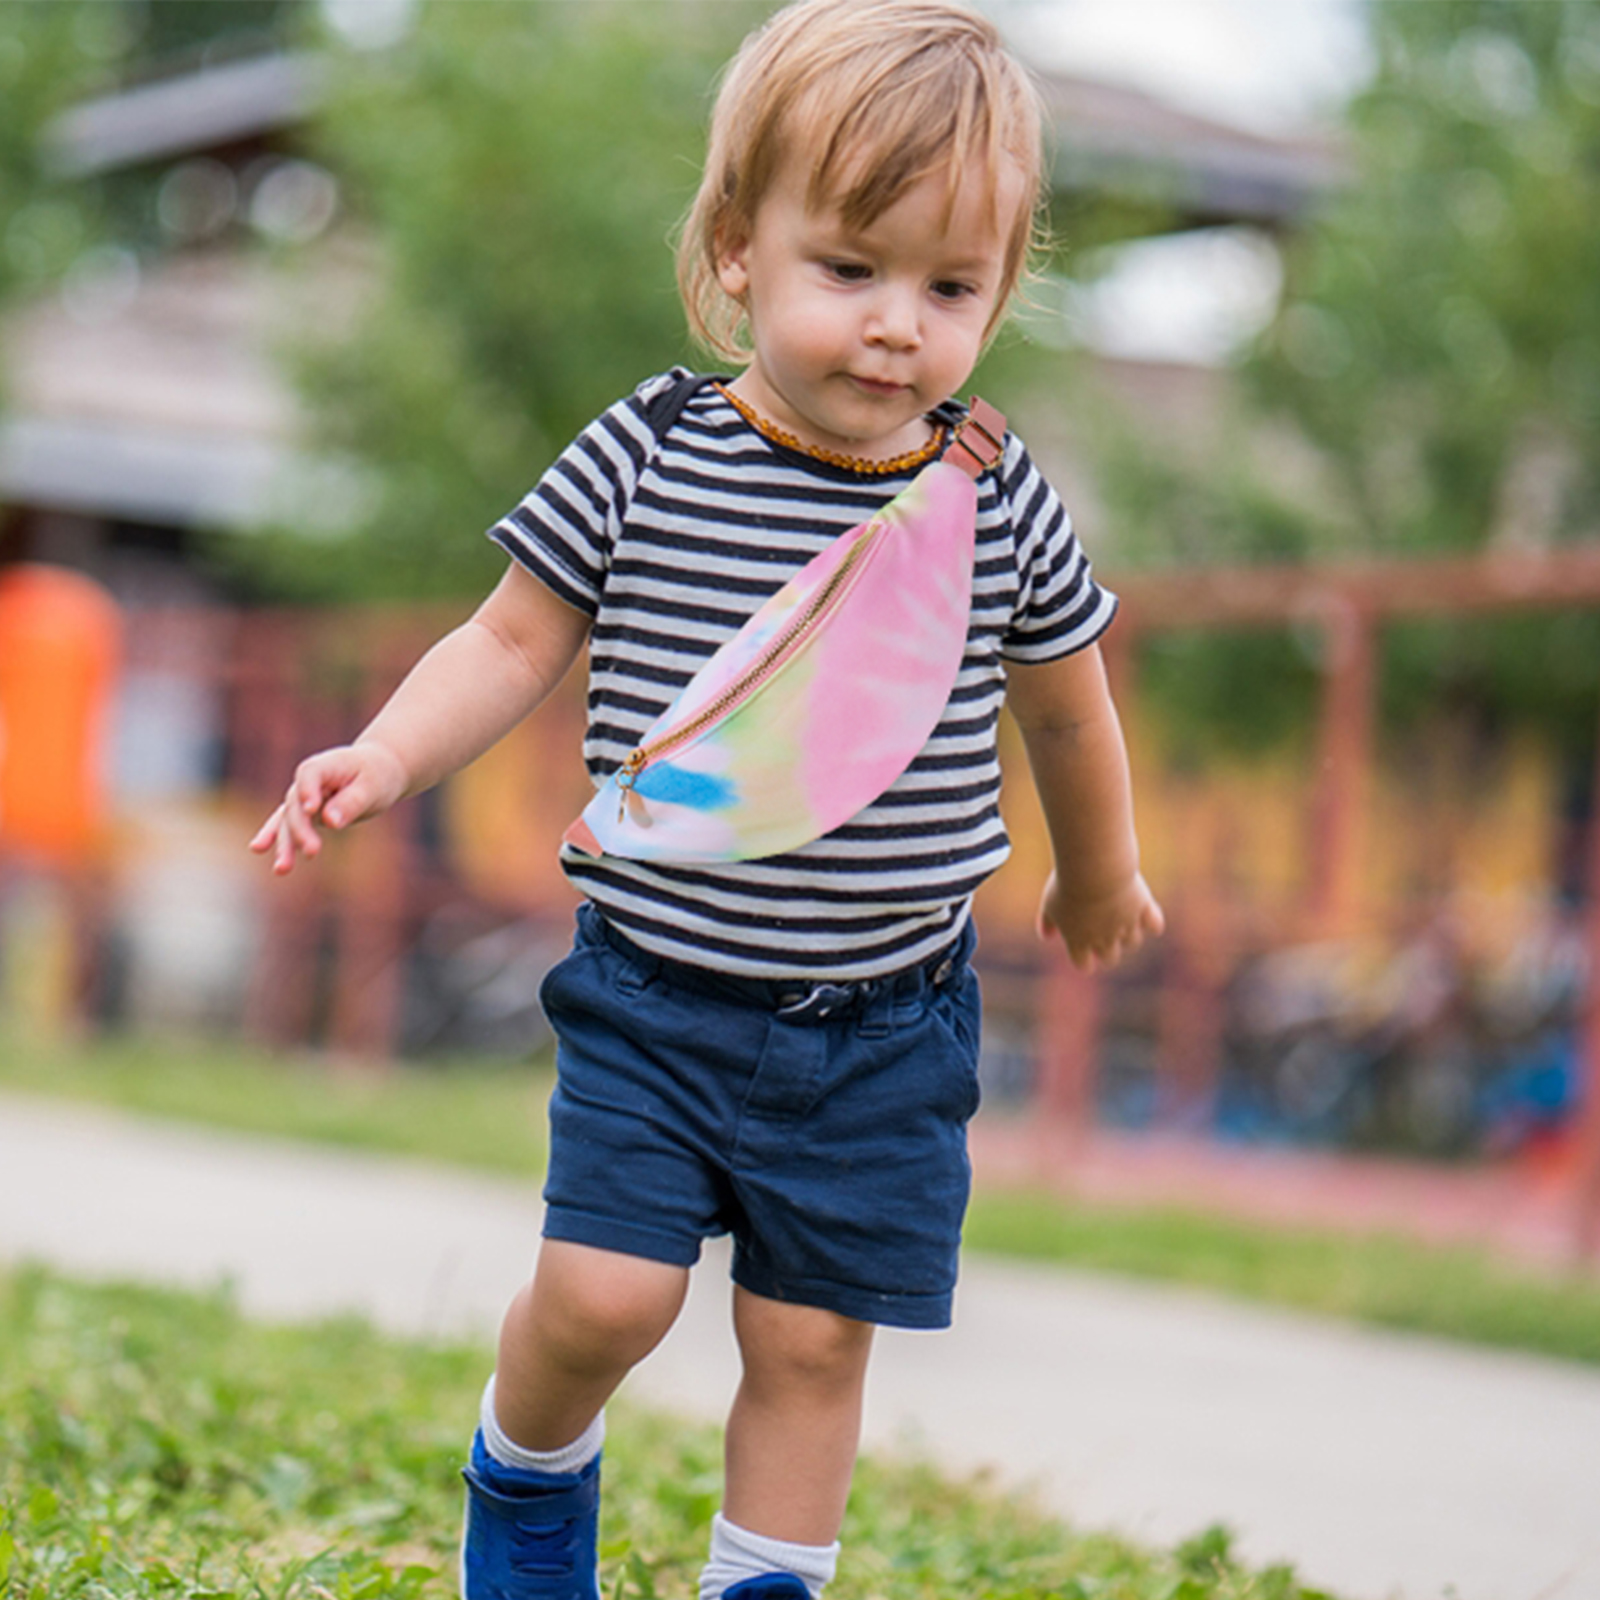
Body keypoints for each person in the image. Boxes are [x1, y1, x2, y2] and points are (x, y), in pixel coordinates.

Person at [250, 1, 1164, 1596]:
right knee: (605, 1301)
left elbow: (1070, 709)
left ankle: (766, 1581)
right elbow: (511, 637)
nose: (898, 327)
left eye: (951, 288)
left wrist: (1101, 873)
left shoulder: (991, 497)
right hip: (659, 997)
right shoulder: (653, 450)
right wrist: (385, 754)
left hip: (887, 1021)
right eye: (851, 269)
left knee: (811, 1341)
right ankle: (528, 1470)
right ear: (740, 248)